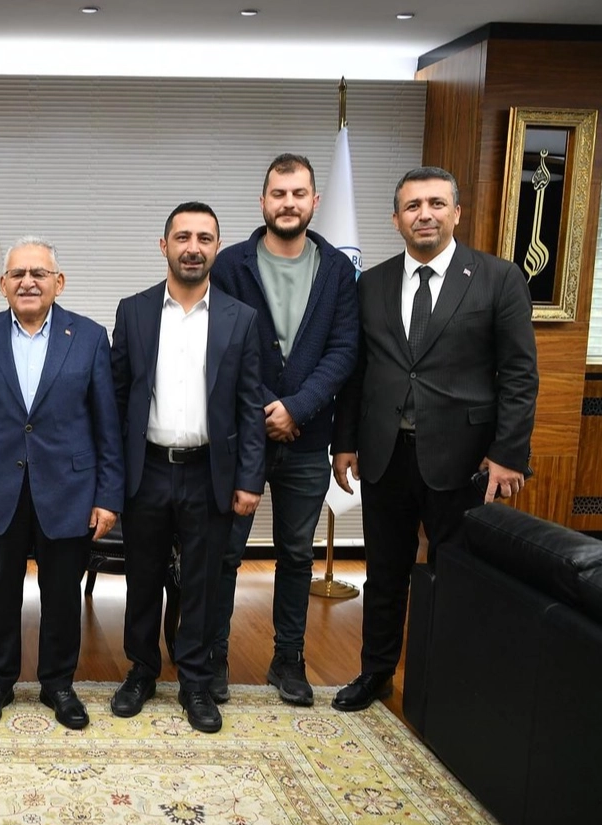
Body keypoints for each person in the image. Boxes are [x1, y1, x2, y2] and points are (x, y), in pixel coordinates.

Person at [331, 166, 538, 711]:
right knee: (384, 575)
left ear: (456, 213)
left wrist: (508, 454)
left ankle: (450, 686)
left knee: (456, 577)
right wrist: (345, 442)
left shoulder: (497, 278)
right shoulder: (371, 284)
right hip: (385, 456)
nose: (425, 214)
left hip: (464, 460)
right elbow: (357, 372)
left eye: (436, 204)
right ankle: (375, 674)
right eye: (413, 206)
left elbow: (520, 374)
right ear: (396, 218)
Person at [0, 237, 124, 730]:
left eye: (39, 273)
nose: (28, 282)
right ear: (3, 284)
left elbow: (107, 425)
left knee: (62, 593)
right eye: (18, 274)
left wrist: (108, 497)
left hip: (69, 490)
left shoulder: (88, 337)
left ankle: (58, 684)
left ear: (58, 283)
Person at [208, 154, 359, 706]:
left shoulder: (338, 270)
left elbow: (344, 350)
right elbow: (220, 348)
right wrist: (268, 408)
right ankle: (214, 658)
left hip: (309, 437)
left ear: (314, 201)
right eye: (278, 193)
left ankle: (288, 660)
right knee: (225, 553)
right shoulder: (231, 265)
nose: (288, 203)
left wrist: (297, 408)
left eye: (298, 194)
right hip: (239, 440)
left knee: (297, 555)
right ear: (263, 200)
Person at [110, 202, 265, 734]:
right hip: (147, 469)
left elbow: (249, 407)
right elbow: (116, 398)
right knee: (143, 577)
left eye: (204, 238)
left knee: (202, 582)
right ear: (164, 246)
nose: (193, 248)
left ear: (217, 247)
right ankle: (141, 671)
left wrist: (249, 479)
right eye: (183, 237)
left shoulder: (240, 318)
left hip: (209, 472)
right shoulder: (133, 311)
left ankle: (195, 682)